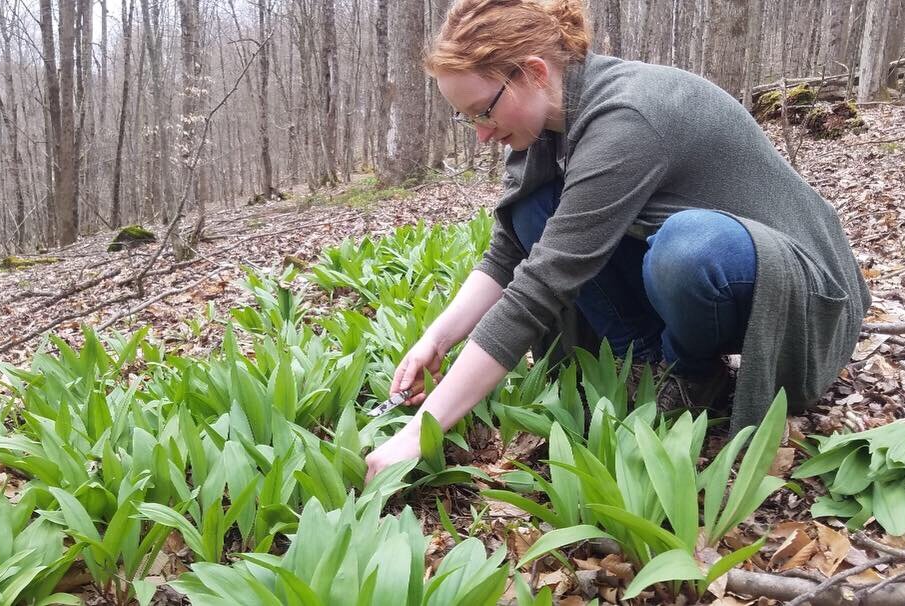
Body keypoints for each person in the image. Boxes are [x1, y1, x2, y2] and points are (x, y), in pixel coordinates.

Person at [364, 0, 870, 481]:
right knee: (537, 208)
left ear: (534, 73)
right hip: (731, 276)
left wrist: (418, 432)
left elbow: (542, 284)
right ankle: (649, 368)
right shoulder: (546, 126)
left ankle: (692, 371)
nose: (480, 133)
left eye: (483, 111)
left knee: (687, 248)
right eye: (467, 117)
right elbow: (511, 253)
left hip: (808, 292)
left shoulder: (626, 117)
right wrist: (436, 339)